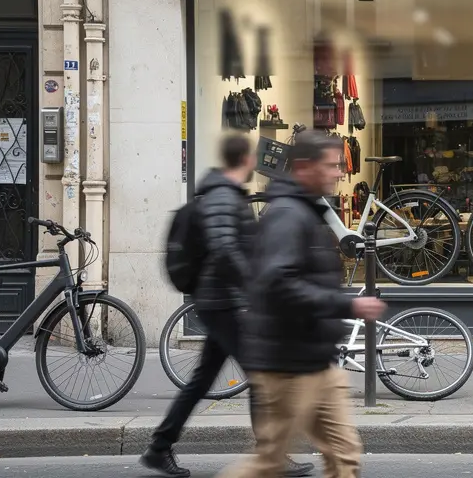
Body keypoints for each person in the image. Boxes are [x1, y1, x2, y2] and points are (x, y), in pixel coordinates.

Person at [141, 134, 315, 478]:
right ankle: (272, 457)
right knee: (263, 376)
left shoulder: (224, 193)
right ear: (247, 160)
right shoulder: (222, 195)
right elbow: (223, 249)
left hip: (220, 300)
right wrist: (254, 286)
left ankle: (159, 447)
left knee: (202, 379)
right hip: (223, 301)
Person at [218, 130, 386, 478]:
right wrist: (347, 307)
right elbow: (278, 284)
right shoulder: (288, 215)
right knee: (268, 463)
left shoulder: (306, 209)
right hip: (287, 365)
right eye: (332, 166)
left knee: (344, 454)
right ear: (306, 167)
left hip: (314, 359)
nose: (339, 173)